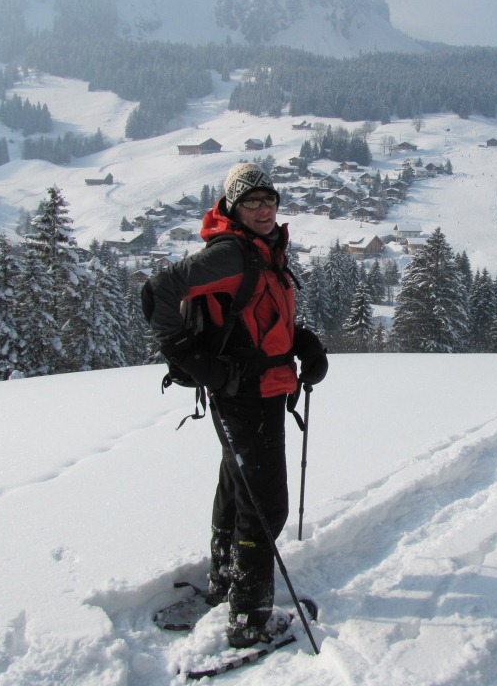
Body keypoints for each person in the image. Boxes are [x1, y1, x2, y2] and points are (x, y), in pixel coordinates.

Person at [142, 162, 328, 648]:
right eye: (251, 202)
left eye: (269, 200)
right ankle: (249, 617)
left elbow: (258, 321)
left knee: (237, 489)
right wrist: (191, 359)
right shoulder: (231, 255)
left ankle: (226, 579)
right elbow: (157, 293)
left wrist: (304, 343)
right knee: (265, 507)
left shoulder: (263, 250)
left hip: (260, 389)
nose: (264, 210)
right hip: (246, 394)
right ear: (233, 206)